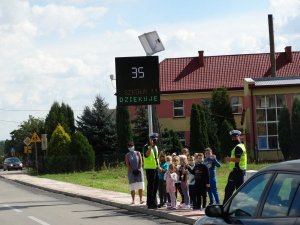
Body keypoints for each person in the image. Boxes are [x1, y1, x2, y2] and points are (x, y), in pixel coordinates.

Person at [223, 129, 247, 204]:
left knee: (228, 191)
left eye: (233, 137)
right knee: (240, 191)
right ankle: (240, 207)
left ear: (237, 137)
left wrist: (228, 159)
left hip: (236, 172)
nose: (232, 139)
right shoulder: (242, 145)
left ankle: (224, 208)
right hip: (241, 171)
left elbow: (237, 159)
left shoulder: (238, 147)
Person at [143, 132, 160, 209]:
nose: (155, 140)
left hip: (155, 168)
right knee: (151, 186)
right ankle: (150, 203)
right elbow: (146, 155)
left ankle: (154, 202)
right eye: (154, 139)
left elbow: (156, 158)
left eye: (156, 139)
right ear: (150, 139)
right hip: (149, 169)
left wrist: (158, 167)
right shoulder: (146, 146)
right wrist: (150, 146)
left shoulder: (156, 147)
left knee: (155, 186)